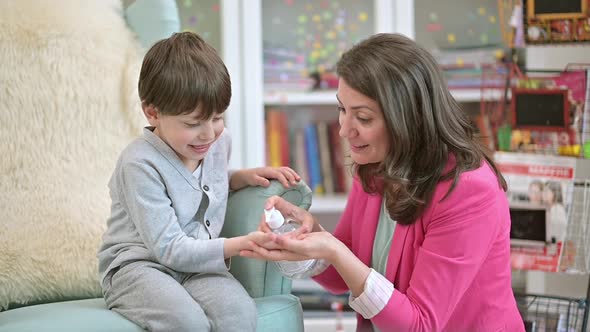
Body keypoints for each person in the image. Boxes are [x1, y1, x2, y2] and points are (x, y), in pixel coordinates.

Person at [242, 33, 524, 332]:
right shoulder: (377, 166)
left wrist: (333, 250)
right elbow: (345, 273)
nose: (344, 131)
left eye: (363, 118)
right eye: (342, 110)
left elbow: (419, 324)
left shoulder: (468, 191)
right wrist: (305, 236)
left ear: (407, 119)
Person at [97, 32, 299, 332]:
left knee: (240, 313)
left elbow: (195, 187)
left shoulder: (217, 142)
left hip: (197, 266)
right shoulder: (138, 164)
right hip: (139, 268)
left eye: (217, 117)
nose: (208, 133)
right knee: (186, 322)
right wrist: (237, 245)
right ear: (153, 112)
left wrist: (236, 178)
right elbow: (169, 249)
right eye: (193, 124)